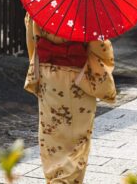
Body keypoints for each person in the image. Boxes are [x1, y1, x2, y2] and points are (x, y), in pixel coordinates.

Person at [24, 13, 116, 184]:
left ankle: (53, 178)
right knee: (77, 139)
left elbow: (32, 39)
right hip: (78, 79)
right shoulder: (87, 10)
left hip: (48, 77)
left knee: (51, 135)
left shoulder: (39, 6)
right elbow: (101, 47)